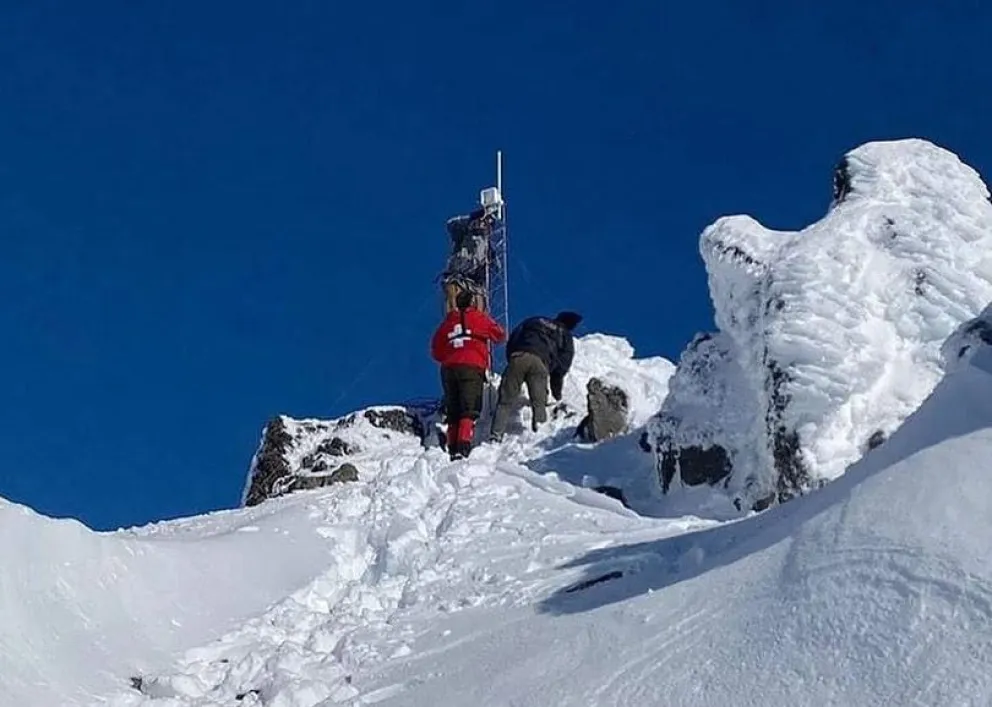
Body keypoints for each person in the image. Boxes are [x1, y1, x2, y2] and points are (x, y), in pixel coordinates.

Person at [430, 289, 507, 460]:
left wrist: (449, 356)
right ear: (472, 302)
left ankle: (452, 446)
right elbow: (500, 334)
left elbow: (435, 349)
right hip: (472, 365)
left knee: (453, 408)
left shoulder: (447, 323)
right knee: (469, 408)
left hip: (449, 368)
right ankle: (463, 445)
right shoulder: (478, 318)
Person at [489, 311, 582, 441]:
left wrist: (512, 358)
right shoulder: (565, 335)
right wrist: (557, 394)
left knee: (505, 401)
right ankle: (538, 436)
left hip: (519, 356)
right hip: (540, 364)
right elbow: (561, 367)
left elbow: (514, 338)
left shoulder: (536, 320)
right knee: (539, 403)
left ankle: (495, 436)